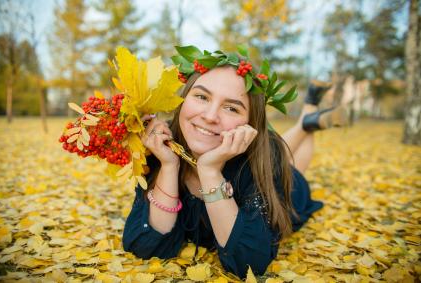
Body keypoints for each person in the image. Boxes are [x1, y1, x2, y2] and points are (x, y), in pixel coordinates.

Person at [122, 46, 347, 278]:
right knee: (279, 153)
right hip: (269, 157)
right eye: (201, 96)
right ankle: (307, 120)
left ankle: (307, 117)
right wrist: (170, 166)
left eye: (231, 107)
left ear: (250, 123)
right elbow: (145, 246)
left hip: (290, 189)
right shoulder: (160, 145)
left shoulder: (262, 161)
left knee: (290, 165)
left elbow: (248, 264)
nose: (210, 116)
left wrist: (209, 171)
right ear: (182, 100)